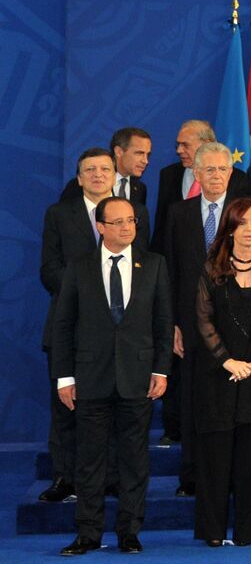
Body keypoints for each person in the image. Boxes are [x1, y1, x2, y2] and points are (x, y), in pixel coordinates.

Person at [50, 196, 172, 556]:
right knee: (90, 462)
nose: (126, 227)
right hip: (90, 379)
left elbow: (164, 323)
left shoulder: (153, 264)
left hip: (138, 378)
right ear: (100, 227)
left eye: (131, 221)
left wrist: (161, 369)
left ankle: (129, 532)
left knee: (134, 460)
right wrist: (64, 378)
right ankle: (88, 533)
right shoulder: (79, 266)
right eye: (117, 222)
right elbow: (63, 326)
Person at [39, 148, 152, 504]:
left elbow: (144, 271)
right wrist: (87, 295)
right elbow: (49, 269)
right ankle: (65, 477)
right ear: (79, 178)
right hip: (72, 327)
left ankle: (115, 478)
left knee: (120, 408)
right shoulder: (59, 214)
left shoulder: (136, 215)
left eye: (105, 169)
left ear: (114, 176)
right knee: (67, 408)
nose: (99, 174)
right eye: (90, 170)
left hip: (123, 332)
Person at [191, 198, 251, 546]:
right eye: (243, 223)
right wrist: (227, 361)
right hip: (220, 377)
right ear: (229, 229)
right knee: (214, 463)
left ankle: (248, 534)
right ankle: (212, 533)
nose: (250, 230)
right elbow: (203, 319)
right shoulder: (211, 269)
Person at [163, 142, 248, 497]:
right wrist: (171, 324)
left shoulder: (247, 214)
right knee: (193, 403)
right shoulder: (178, 214)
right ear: (196, 174)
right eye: (209, 170)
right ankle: (193, 476)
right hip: (190, 326)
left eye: (222, 169)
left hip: (236, 327)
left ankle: (229, 477)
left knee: (232, 405)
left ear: (231, 173)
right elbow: (169, 271)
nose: (216, 176)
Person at [153, 119, 251, 239]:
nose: (179, 150)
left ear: (207, 143)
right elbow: (161, 226)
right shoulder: (169, 174)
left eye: (185, 145)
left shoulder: (237, 179)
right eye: (178, 144)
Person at [59, 127, 152, 205]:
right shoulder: (82, 185)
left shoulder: (140, 188)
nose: (145, 161)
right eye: (139, 153)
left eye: (147, 155)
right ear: (119, 152)